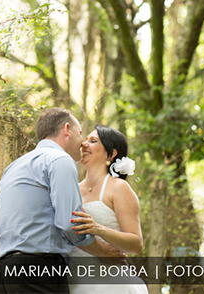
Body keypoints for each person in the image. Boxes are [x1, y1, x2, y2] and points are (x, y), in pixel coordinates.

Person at [0, 108, 125, 294]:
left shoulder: (14, 166)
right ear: (67, 129)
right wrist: (103, 251)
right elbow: (70, 224)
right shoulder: (60, 160)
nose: (82, 142)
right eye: (80, 134)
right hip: (38, 271)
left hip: (3, 273)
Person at [69, 126, 147, 294]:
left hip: (110, 284)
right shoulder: (73, 189)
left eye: (93, 141)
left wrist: (98, 229)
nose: (84, 144)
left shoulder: (118, 187)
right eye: (85, 139)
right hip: (73, 282)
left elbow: (136, 244)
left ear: (110, 155)